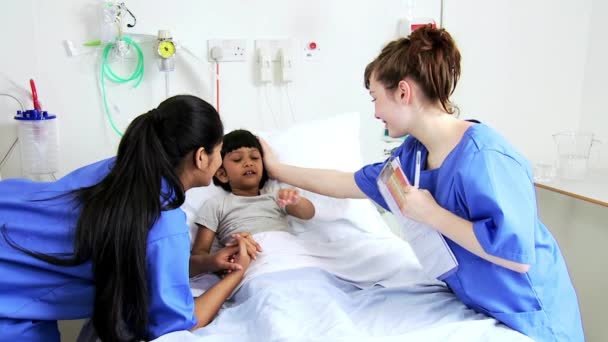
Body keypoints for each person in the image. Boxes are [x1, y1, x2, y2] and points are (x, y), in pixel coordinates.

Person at [260, 26, 583, 341]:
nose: (374, 112)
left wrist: (431, 214)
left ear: (403, 92)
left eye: (375, 98)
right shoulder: (413, 157)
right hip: (481, 304)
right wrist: (276, 168)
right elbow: (347, 182)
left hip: (530, 313)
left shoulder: (485, 156)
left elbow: (516, 256)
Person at [0, 95, 258, 341]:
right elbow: (178, 321)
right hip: (9, 282)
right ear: (201, 157)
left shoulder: (124, 167)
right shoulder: (163, 223)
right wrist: (238, 273)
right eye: (221, 151)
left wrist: (207, 262)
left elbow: (141, 263)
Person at [191, 129, 315, 264]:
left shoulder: (276, 197)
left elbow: (308, 214)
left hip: (289, 254)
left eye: (255, 157)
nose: (248, 163)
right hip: (250, 262)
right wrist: (219, 260)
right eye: (237, 159)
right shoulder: (216, 205)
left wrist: (296, 201)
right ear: (222, 174)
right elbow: (199, 255)